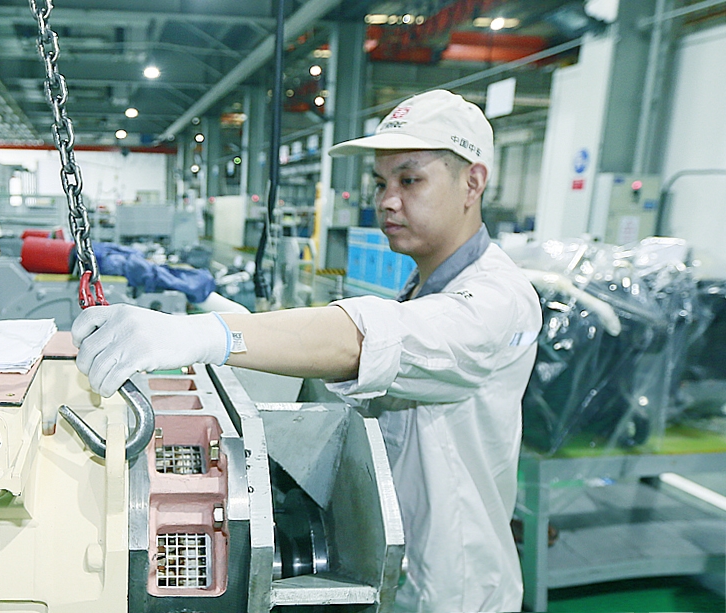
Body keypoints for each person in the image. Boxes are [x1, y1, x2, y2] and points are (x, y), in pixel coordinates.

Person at [71, 89, 542, 613]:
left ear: (473, 182)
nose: (387, 200)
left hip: (455, 588)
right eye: (381, 182)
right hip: (398, 571)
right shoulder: (424, 287)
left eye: (410, 180)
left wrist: (207, 333)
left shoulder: (498, 300)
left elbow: (370, 339)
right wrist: (215, 305)